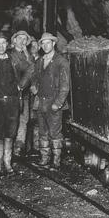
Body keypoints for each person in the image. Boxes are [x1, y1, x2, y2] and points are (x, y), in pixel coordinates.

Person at [0, 31, 32, 177]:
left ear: (7, 45)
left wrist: (21, 85)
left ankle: (7, 163)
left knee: (10, 133)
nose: (1, 46)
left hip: (12, 102)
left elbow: (31, 68)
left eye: (3, 43)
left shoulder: (13, 59)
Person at [31, 32, 70, 170]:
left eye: (48, 43)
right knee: (43, 132)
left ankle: (56, 162)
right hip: (41, 102)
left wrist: (58, 103)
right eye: (43, 43)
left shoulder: (61, 61)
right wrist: (34, 86)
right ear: (41, 45)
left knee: (55, 133)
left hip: (54, 102)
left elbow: (65, 86)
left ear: (53, 43)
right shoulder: (40, 61)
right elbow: (35, 77)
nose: (46, 45)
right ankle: (44, 159)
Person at [9, 30, 35, 157]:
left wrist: (26, 54)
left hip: (24, 93)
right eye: (20, 38)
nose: (22, 41)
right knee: (11, 119)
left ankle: (19, 147)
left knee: (24, 119)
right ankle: (9, 146)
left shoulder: (28, 56)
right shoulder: (9, 54)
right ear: (14, 40)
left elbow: (32, 70)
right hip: (11, 92)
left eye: (25, 39)